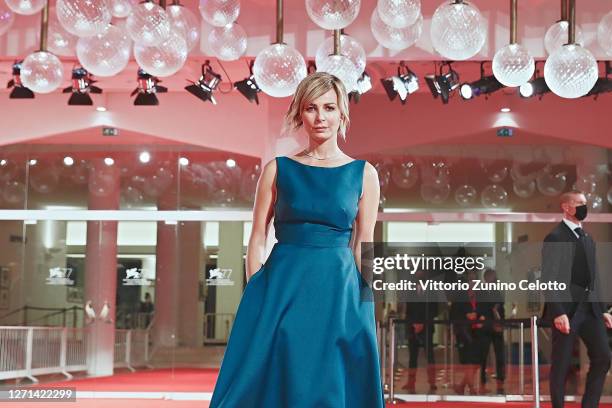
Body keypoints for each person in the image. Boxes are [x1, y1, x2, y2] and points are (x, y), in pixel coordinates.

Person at [209, 72, 385, 407]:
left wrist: (365, 301)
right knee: (277, 376)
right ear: (299, 114)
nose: (321, 117)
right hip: (282, 288)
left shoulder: (364, 174)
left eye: (329, 108)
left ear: (342, 114)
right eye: (311, 108)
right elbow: (258, 234)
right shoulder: (278, 169)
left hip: (339, 291)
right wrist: (257, 286)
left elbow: (365, 243)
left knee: (331, 381)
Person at [540, 190, 612, 408]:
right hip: (567, 313)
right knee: (561, 366)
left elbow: (594, 277)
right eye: (579, 203)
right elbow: (548, 279)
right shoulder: (555, 237)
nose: (584, 207)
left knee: (602, 358)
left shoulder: (588, 238)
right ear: (566, 206)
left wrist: (604, 309)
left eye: (585, 203)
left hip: (591, 310)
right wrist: (558, 311)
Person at [476, 268, 506, 395]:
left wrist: (500, 321)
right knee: (483, 353)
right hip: (485, 327)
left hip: (497, 327)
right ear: (486, 278)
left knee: (500, 353)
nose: (492, 279)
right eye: (490, 277)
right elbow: (480, 309)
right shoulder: (481, 293)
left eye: (494, 277)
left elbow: (501, 308)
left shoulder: (498, 292)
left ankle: (501, 377)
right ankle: (482, 378)